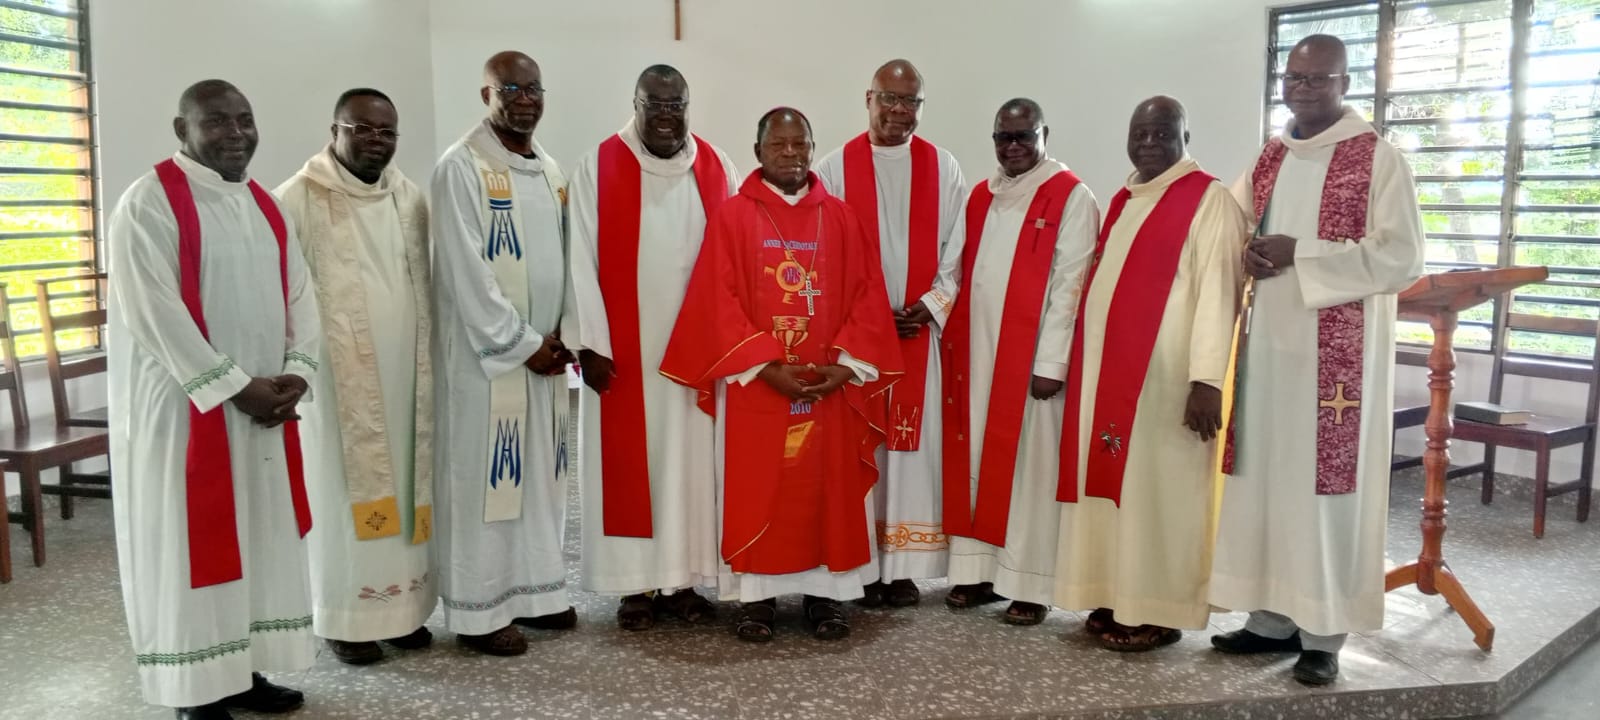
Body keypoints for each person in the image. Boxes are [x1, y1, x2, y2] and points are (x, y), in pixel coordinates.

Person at [1210, 34, 1425, 685]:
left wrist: (1298, 251)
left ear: (1344, 83)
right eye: (1293, 78)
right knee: (1266, 480)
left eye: (1317, 79)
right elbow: (1231, 228)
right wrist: (1246, 253)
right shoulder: (1270, 156)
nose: (1301, 90)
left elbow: (1401, 257)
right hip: (1268, 352)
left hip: (1337, 365)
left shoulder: (1379, 159)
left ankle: (1324, 634)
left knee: (1322, 492)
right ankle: (1270, 619)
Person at [108, 79, 319, 720]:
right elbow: (155, 314)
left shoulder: (265, 204)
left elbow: (301, 294)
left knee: (257, 541)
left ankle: (242, 671)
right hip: (185, 412)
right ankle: (196, 690)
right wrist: (236, 387)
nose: (236, 133)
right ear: (183, 129)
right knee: (190, 547)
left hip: (261, 410)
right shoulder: (148, 203)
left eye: (245, 120)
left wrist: (296, 371)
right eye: (217, 121)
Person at [659, 107, 902, 642]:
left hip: (828, 383)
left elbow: (868, 295)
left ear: (812, 149)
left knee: (828, 489)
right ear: (758, 151)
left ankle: (827, 596)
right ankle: (757, 599)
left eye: (800, 144)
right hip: (758, 386)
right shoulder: (733, 217)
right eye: (778, 145)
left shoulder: (841, 217)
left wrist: (845, 368)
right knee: (758, 487)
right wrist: (766, 366)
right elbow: (717, 300)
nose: (790, 154)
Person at [1052, 96, 1247, 651]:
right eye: (1140, 133)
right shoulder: (1124, 199)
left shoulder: (1209, 200)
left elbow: (1220, 293)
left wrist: (1207, 380)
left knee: (1161, 496)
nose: (1149, 143)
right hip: (1109, 381)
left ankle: (1159, 610)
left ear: (1186, 136)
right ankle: (1117, 593)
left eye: (1163, 132)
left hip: (1167, 385)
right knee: (1119, 493)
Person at [565, 64, 739, 631]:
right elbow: (579, 257)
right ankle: (635, 586)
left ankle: (683, 581)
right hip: (626, 353)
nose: (666, 116)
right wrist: (589, 342)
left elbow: (738, 257)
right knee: (634, 468)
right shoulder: (598, 166)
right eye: (654, 104)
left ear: (688, 106)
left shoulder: (717, 167)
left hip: (697, 355)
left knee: (691, 466)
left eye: (676, 105)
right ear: (635, 104)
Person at [275, 87, 435, 665]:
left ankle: (403, 610)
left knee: (407, 487)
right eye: (362, 128)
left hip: (406, 375)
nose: (376, 140)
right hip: (339, 382)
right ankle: (345, 617)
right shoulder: (296, 198)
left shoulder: (409, 196)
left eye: (387, 132)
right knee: (341, 493)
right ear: (335, 131)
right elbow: (284, 293)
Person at [430, 50, 576, 657]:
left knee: (540, 477)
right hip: (488, 362)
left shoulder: (549, 169)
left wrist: (564, 334)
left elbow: (566, 259)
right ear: (486, 95)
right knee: (488, 481)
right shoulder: (460, 167)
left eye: (533, 88)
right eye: (510, 89)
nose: (525, 99)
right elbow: (466, 271)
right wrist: (523, 343)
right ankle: (480, 610)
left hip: (544, 357)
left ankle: (537, 593)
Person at [815, 59, 967, 609]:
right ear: (869, 99)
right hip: (859, 340)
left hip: (917, 335)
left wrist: (930, 305)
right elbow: (824, 251)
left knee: (909, 452)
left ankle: (900, 568)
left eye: (911, 102)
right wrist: (870, 315)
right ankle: (860, 564)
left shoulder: (943, 167)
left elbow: (958, 248)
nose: (899, 111)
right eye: (890, 99)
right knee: (862, 446)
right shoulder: (834, 168)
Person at [941, 98, 1098, 626]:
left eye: (1024, 136)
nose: (1013, 147)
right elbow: (955, 270)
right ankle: (979, 571)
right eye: (1003, 137)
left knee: (1031, 470)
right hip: (977, 355)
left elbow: (1072, 284)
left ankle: (1030, 581)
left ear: (1044, 136)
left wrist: (1052, 362)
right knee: (976, 460)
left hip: (1031, 364)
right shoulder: (981, 196)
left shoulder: (1071, 195)